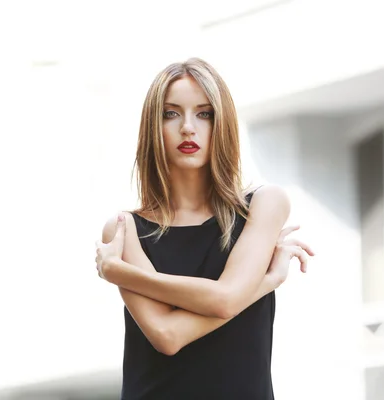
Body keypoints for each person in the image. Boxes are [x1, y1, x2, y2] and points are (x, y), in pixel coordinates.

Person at [94, 58, 314, 400]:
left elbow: (226, 299)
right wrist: (266, 281)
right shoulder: (124, 229)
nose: (187, 127)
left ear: (221, 122)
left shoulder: (265, 204)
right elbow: (167, 336)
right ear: (153, 126)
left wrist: (119, 272)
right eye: (171, 113)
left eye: (204, 113)